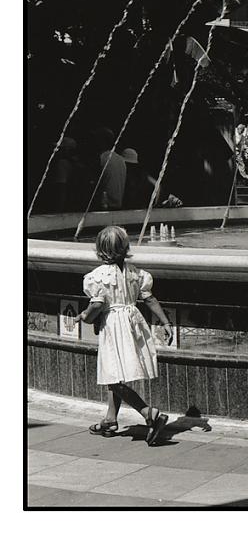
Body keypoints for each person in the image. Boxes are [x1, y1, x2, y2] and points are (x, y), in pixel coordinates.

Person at [73, 226, 172, 445]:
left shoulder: (97, 277)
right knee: (115, 373)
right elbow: (149, 299)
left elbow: (97, 306)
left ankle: (149, 413)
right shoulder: (136, 273)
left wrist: (85, 316)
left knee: (113, 375)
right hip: (133, 323)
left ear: (100, 249)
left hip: (114, 326)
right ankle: (110, 419)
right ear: (126, 247)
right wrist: (165, 322)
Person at [91, 127, 126, 210]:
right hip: (118, 207)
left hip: (102, 207)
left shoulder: (100, 158)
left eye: (96, 139)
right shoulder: (121, 160)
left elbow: (93, 185)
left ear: (102, 141)